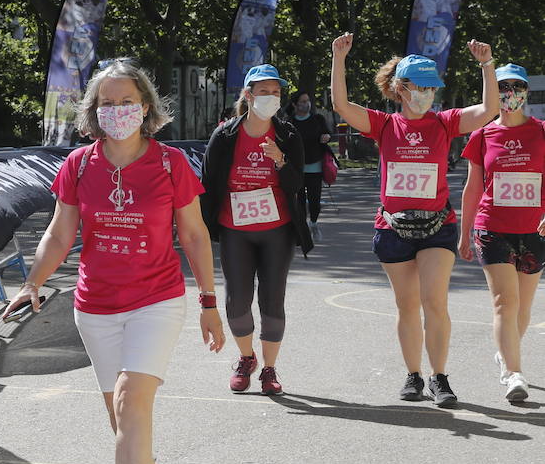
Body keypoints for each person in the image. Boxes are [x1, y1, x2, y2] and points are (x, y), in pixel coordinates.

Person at [2, 58, 224, 464]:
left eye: (127, 101)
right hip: (95, 304)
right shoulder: (79, 166)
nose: (118, 110)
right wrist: (33, 283)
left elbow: (193, 234)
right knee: (119, 414)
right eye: (108, 103)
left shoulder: (170, 164)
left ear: (145, 107)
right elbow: (60, 233)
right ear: (93, 111)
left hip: (157, 299)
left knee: (129, 401)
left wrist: (210, 302)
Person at [330, 34, 500, 407]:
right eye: (418, 87)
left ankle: (440, 378)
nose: (426, 94)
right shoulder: (384, 125)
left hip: (437, 226)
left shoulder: (444, 123)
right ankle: (413, 375)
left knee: (434, 300)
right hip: (393, 227)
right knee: (407, 305)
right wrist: (338, 58)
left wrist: (487, 65)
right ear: (400, 88)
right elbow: (341, 105)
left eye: (430, 88)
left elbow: (488, 110)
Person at [201, 64, 312, 397]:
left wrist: (280, 159)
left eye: (276, 93)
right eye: (264, 92)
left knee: (272, 300)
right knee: (236, 302)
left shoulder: (288, 135)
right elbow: (207, 183)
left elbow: (297, 185)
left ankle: (269, 369)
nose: (271, 98)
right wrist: (201, 230)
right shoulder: (225, 135)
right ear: (248, 95)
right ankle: (247, 357)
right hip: (235, 229)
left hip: (277, 229)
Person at [457, 63, 545, 401]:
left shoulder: (540, 131)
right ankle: (513, 373)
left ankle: (506, 353)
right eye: (503, 87)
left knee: (522, 307)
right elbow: (472, 187)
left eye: (516, 87)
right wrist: (464, 235)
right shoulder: (482, 135)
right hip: (492, 228)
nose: (510, 93)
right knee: (504, 303)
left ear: (526, 92)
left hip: (534, 231)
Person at [288, 91, 334, 242]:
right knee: (299, 203)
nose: (306, 104)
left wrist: (326, 137)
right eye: (302, 101)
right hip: (297, 169)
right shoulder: (289, 122)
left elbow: (328, 133)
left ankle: (313, 223)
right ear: (295, 105)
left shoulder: (317, 119)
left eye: (307, 101)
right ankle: (302, 231)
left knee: (315, 202)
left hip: (315, 166)